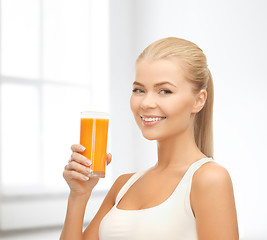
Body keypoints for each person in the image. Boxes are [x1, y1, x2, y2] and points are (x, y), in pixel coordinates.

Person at [60, 37, 239, 240]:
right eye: (139, 90)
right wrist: (79, 195)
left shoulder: (209, 179)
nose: (146, 102)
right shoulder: (123, 185)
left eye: (164, 91)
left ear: (198, 101)